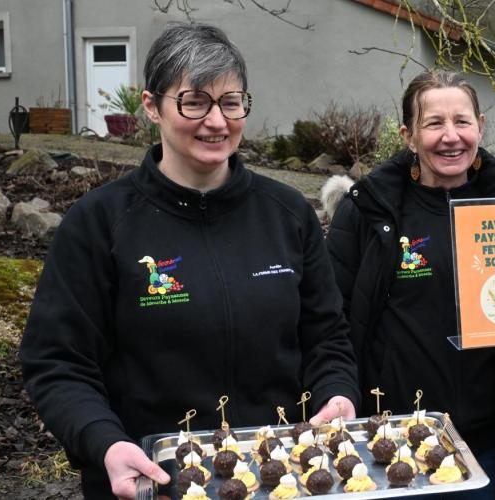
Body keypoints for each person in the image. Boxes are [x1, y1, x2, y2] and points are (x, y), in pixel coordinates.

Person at [19, 23, 360, 499]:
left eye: (232, 102)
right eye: (194, 101)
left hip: (277, 479)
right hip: (150, 480)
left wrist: (337, 394)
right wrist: (105, 441)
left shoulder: (288, 214)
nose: (217, 121)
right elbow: (57, 361)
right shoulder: (99, 223)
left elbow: (327, 336)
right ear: (151, 106)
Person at [325, 70, 495, 499]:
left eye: (462, 121)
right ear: (409, 136)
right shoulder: (368, 212)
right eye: (434, 123)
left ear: (480, 128)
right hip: (391, 443)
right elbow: (331, 320)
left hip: (485, 442)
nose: (451, 136)